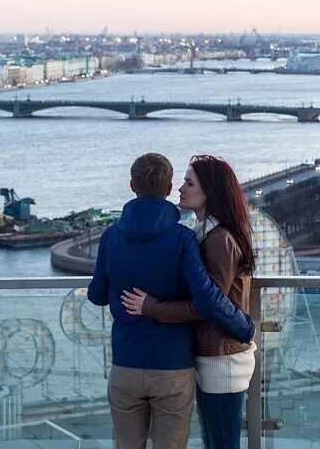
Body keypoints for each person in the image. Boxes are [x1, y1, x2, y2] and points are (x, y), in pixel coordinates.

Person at [87, 152, 255, 449]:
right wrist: (243, 325)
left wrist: (136, 298)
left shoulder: (111, 236)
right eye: (179, 183)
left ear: (131, 185)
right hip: (174, 365)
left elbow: (96, 295)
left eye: (188, 183)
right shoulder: (184, 237)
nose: (180, 189)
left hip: (126, 361)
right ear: (166, 189)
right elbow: (206, 295)